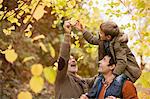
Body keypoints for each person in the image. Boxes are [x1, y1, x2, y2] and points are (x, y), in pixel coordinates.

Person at [74, 21, 141, 83]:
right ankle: (91, 95)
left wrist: (113, 75)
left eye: (101, 33)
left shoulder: (119, 44)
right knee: (99, 80)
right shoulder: (103, 40)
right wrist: (83, 30)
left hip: (126, 70)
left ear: (108, 37)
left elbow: (122, 62)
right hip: (112, 67)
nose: (99, 34)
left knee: (117, 81)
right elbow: (92, 40)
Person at [55, 21, 96, 99]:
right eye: (70, 60)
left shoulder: (84, 82)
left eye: (74, 59)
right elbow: (63, 58)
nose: (73, 60)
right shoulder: (62, 78)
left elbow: (102, 75)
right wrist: (67, 34)